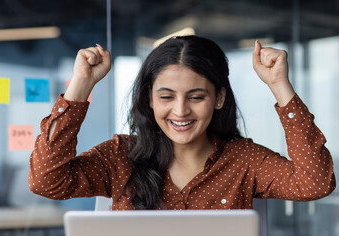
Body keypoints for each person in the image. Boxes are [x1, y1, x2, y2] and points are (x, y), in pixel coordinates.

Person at [29, 35, 336, 210]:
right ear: (149, 99)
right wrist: (80, 85)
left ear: (218, 98)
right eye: (166, 97)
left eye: (196, 97)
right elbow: (46, 181)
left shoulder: (244, 160)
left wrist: (280, 87)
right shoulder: (119, 157)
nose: (180, 111)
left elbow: (316, 182)